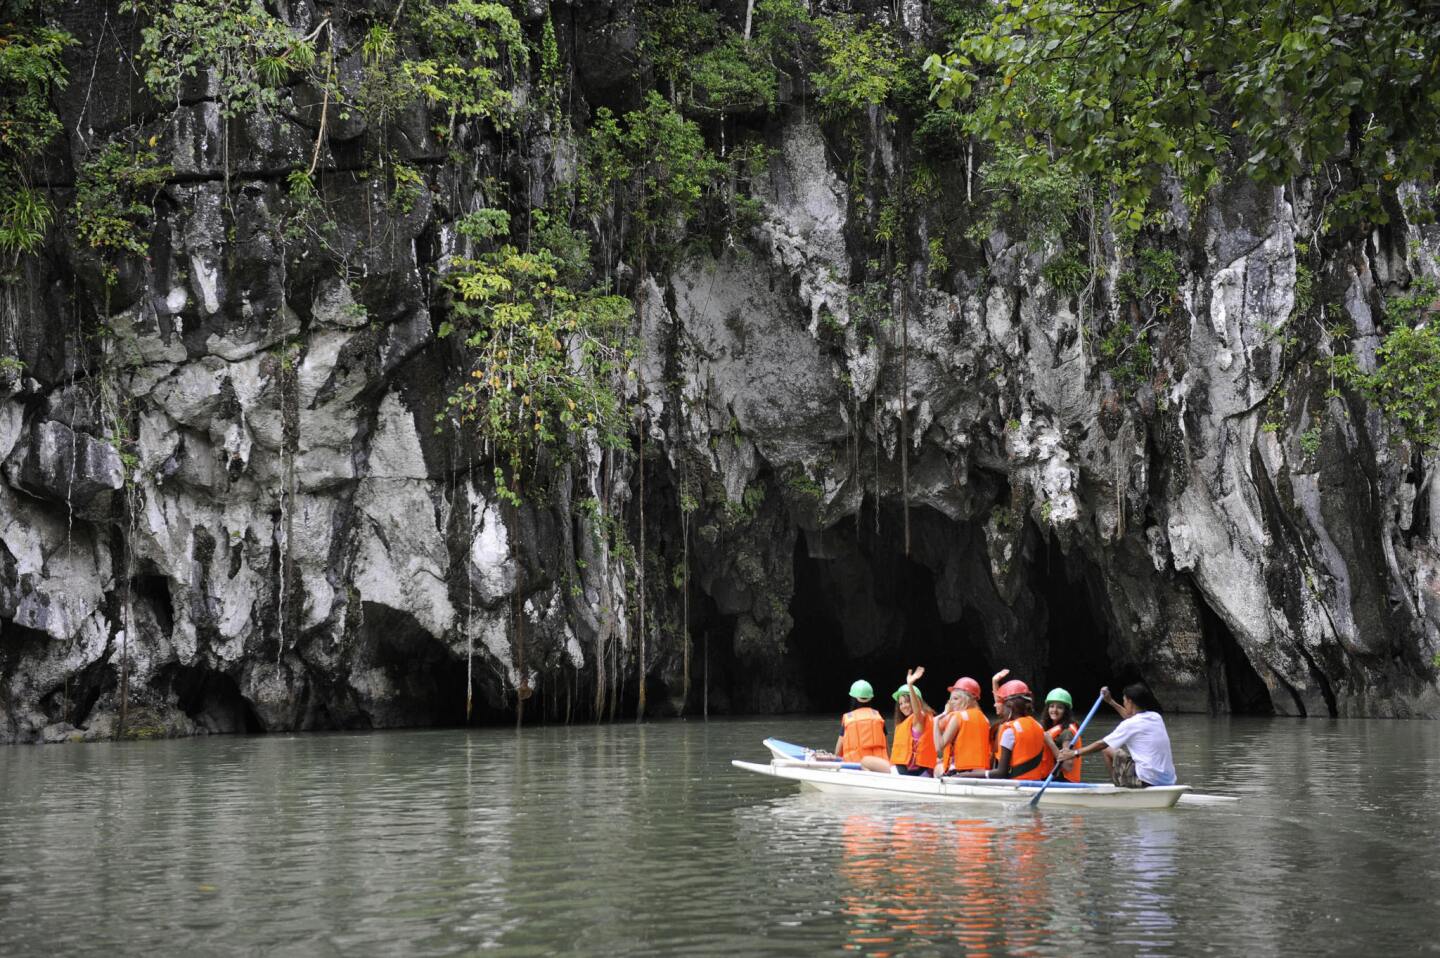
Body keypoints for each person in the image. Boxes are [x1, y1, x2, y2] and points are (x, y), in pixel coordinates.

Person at [1057, 683, 1175, 788]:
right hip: (1168, 780)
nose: (1123, 703)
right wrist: (1110, 701)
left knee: (1107, 750)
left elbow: (1102, 744)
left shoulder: (1130, 724)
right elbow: (1131, 717)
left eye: (1124, 700)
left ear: (1130, 702)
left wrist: (1074, 753)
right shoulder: (1156, 717)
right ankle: (1124, 782)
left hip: (1147, 780)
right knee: (1117, 751)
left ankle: (1119, 785)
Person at [955, 677, 1059, 780]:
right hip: (1035, 781)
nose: (999, 708)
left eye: (1002, 705)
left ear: (1010, 706)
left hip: (1016, 785)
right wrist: (994, 682)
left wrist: (967, 775)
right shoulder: (1038, 726)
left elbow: (1001, 773)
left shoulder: (1010, 731)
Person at [860, 667, 936, 775]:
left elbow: (917, 711)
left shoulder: (920, 718)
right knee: (866, 761)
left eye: (907, 702)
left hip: (912, 772)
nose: (903, 706)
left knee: (865, 761)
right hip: (904, 769)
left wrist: (910, 685)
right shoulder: (906, 723)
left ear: (916, 701)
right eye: (901, 703)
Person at [933, 677, 990, 775]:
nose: (951, 703)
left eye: (955, 698)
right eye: (950, 699)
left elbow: (939, 747)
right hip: (980, 772)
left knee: (936, 768)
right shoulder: (985, 719)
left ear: (969, 699)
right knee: (940, 763)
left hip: (959, 772)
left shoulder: (958, 717)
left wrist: (938, 718)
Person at [833, 679, 888, 763]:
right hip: (879, 766)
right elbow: (886, 747)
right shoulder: (878, 717)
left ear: (853, 699)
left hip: (854, 765)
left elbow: (838, 751)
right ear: (870, 698)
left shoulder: (848, 719)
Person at [1040, 687, 1083, 783]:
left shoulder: (1067, 733)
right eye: (1052, 706)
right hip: (1051, 777)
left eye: (1059, 707)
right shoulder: (1048, 727)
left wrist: (1051, 743)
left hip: (1063, 781)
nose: (1054, 710)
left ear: (1065, 711)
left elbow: (1068, 766)